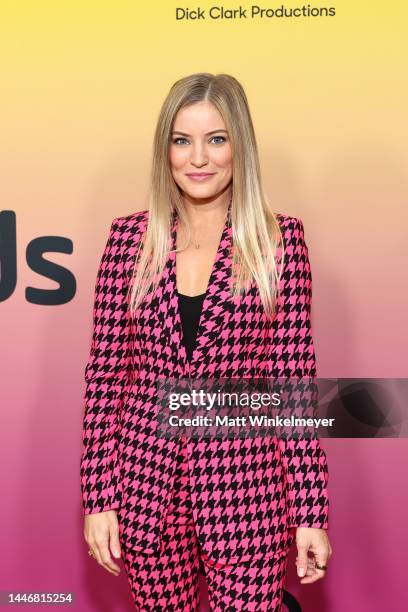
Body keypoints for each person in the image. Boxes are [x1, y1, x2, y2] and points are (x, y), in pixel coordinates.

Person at [80, 72, 332, 611]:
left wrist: (311, 511)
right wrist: (99, 498)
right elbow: (104, 380)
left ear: (240, 147)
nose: (199, 158)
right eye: (182, 140)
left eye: (216, 139)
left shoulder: (279, 241)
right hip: (145, 488)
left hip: (245, 492)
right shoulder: (129, 240)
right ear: (164, 150)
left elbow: (293, 386)